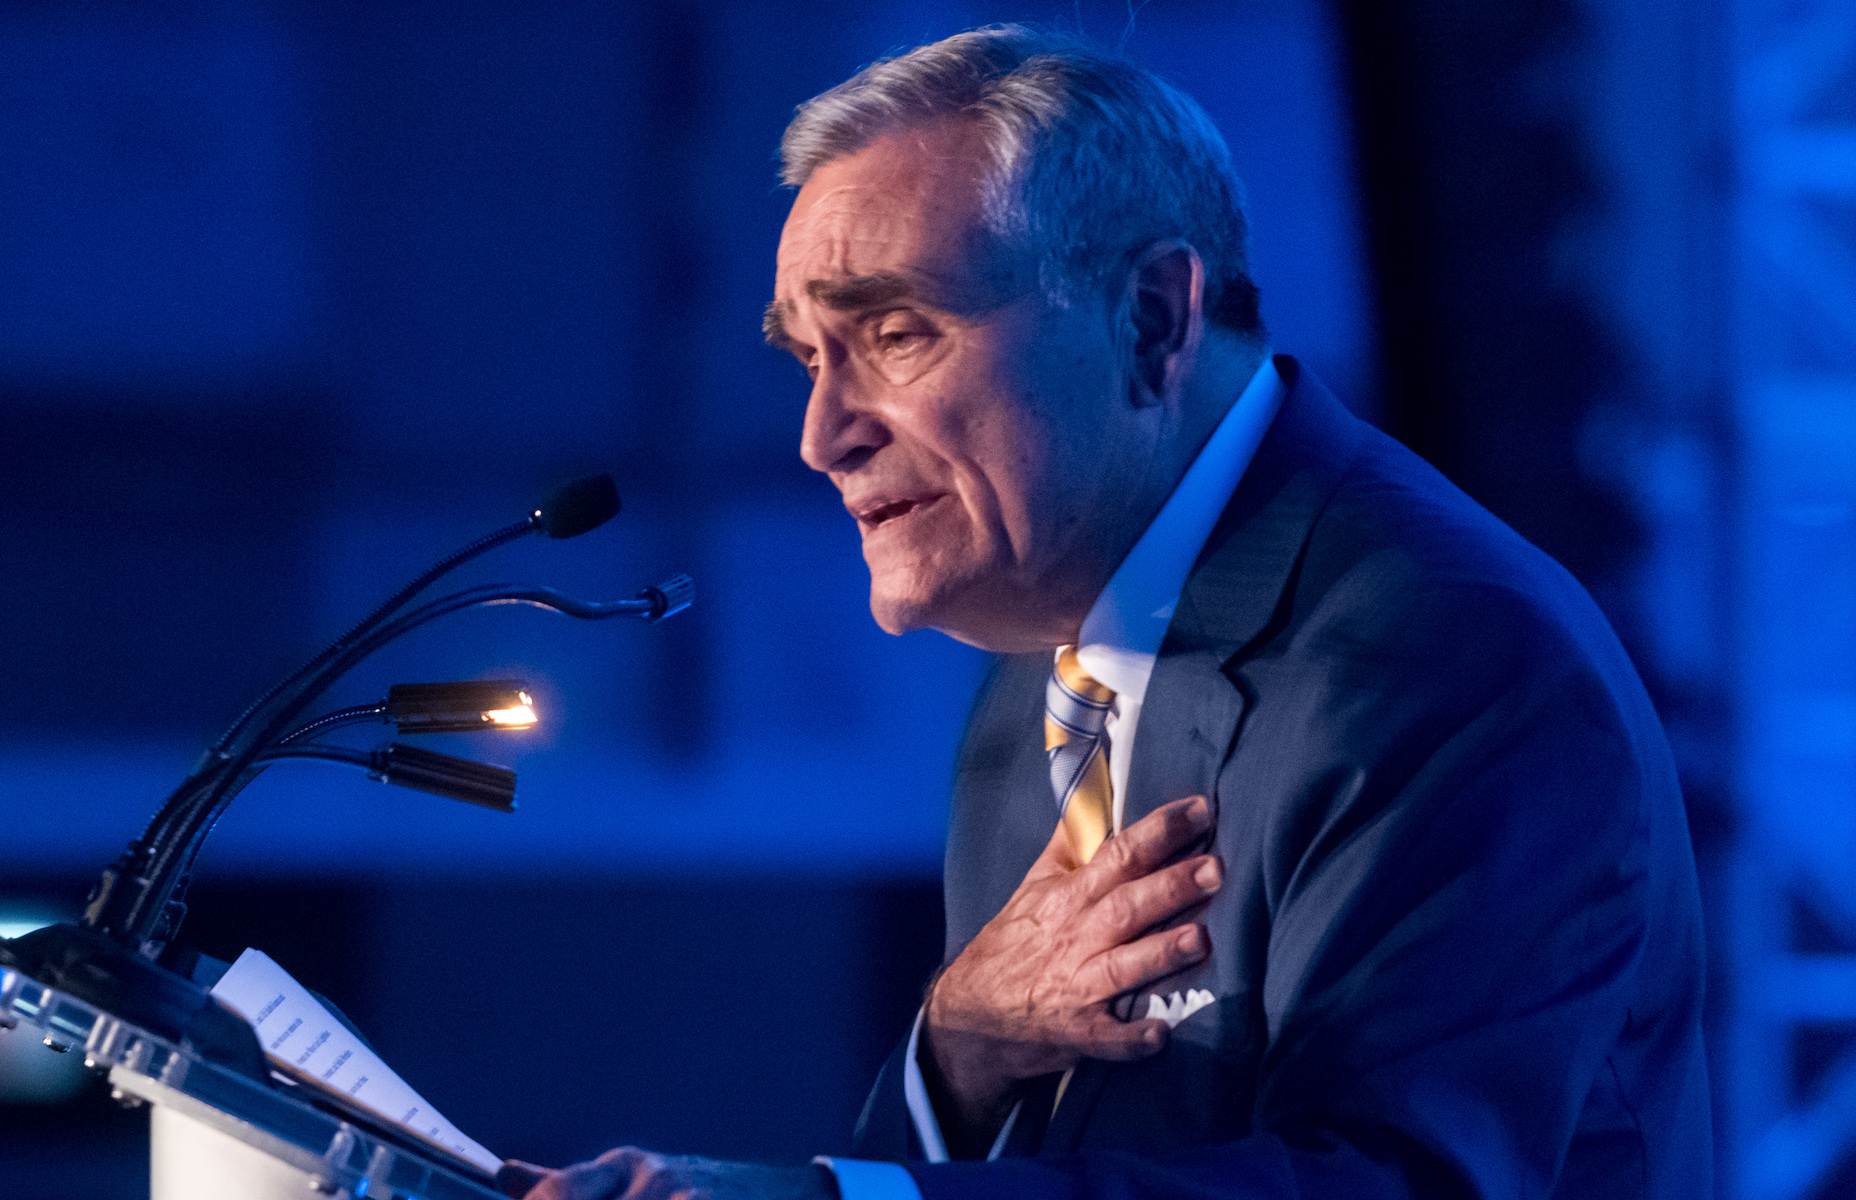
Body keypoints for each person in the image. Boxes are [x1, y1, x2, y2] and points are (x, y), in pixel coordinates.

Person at [499, 25, 1712, 1200]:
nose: (823, 437)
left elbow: (1396, 1182)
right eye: (809, 359)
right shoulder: (1031, 689)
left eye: (896, 333)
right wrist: (955, 1056)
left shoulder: (1450, 662)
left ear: (1150, 321)